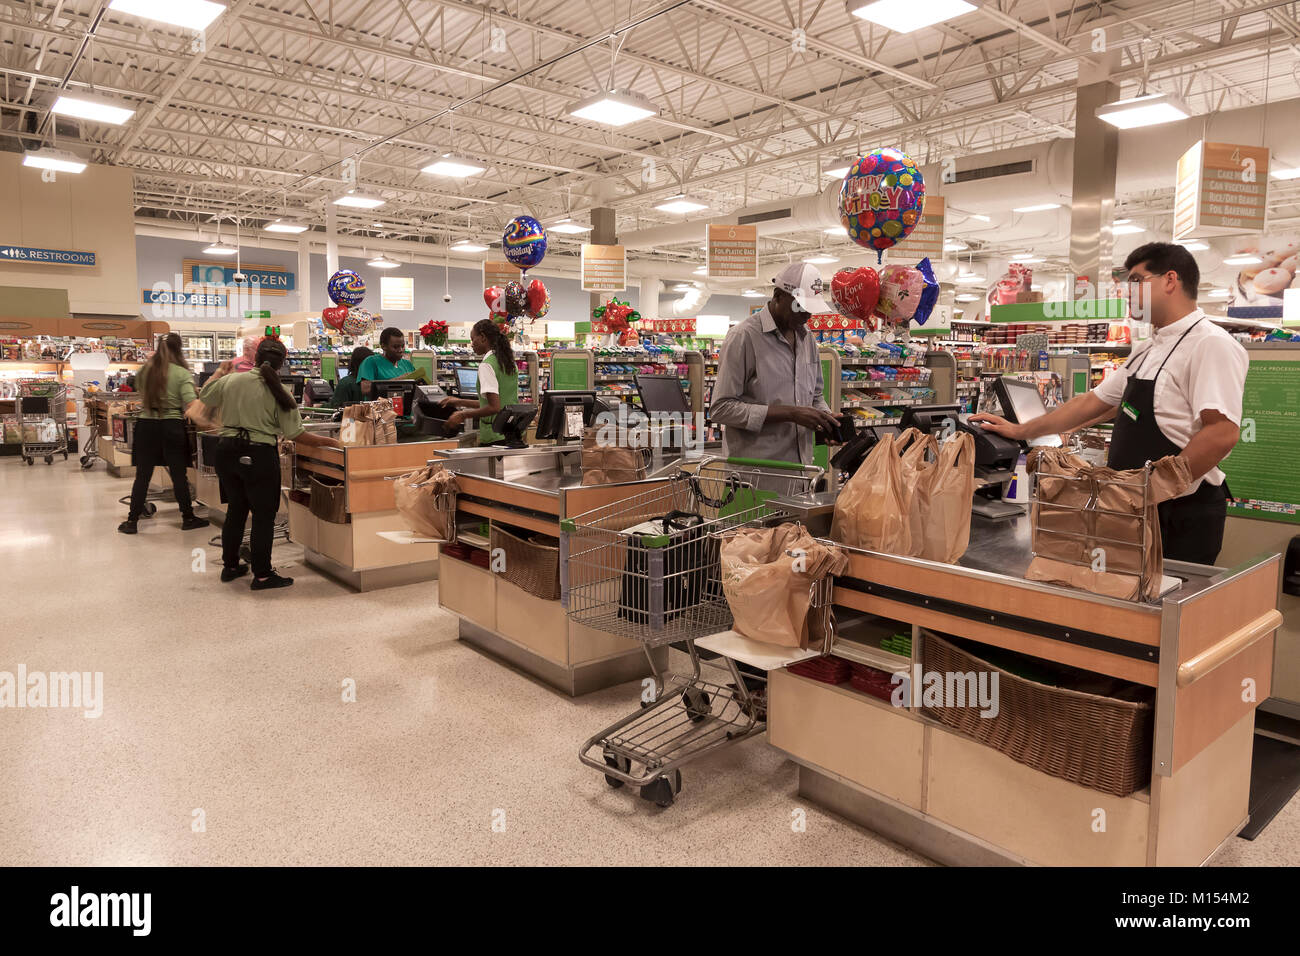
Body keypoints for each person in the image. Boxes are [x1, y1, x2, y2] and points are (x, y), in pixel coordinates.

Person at [972, 242, 1248, 565]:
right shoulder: (1147, 349)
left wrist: (1157, 488)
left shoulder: (1210, 344)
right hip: (1135, 507)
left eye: (1136, 281)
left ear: (1170, 280)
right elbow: (1094, 402)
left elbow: (1221, 432)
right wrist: (1021, 429)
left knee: (1167, 609)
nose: (1128, 292)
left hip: (1180, 514)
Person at [198, 338, 342, 590]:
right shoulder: (280, 392)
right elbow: (297, 434)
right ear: (283, 364)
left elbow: (205, 395)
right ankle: (263, 574)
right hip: (259, 455)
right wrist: (333, 444)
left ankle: (230, 566)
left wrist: (221, 372)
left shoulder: (232, 380)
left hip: (226, 451)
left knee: (236, 509)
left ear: (255, 359)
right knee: (264, 516)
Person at [710, 262, 842, 464]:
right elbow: (721, 408)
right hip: (757, 475)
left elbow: (814, 395)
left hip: (802, 471)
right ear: (778, 296)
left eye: (811, 309)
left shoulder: (808, 340)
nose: (807, 315)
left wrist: (825, 419)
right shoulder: (743, 337)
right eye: (800, 306)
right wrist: (790, 413)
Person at [118, 333, 210, 535]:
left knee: (142, 476)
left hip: (146, 426)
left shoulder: (144, 371)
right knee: (178, 475)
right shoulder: (181, 374)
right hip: (171, 426)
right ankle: (187, 517)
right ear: (179, 350)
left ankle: (132, 521)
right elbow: (191, 403)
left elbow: (140, 392)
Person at [439, 319, 518, 443]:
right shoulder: (508, 362)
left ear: (482, 337)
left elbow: (494, 407)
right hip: (512, 432)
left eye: (472, 339)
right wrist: (459, 401)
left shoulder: (487, 365)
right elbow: (497, 403)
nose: (472, 344)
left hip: (494, 435)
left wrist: (462, 415)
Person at [356, 328, 414, 395]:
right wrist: (399, 380)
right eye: (396, 347)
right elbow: (365, 389)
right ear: (383, 346)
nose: (400, 350)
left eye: (402, 346)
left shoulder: (407, 364)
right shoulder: (370, 362)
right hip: (381, 405)